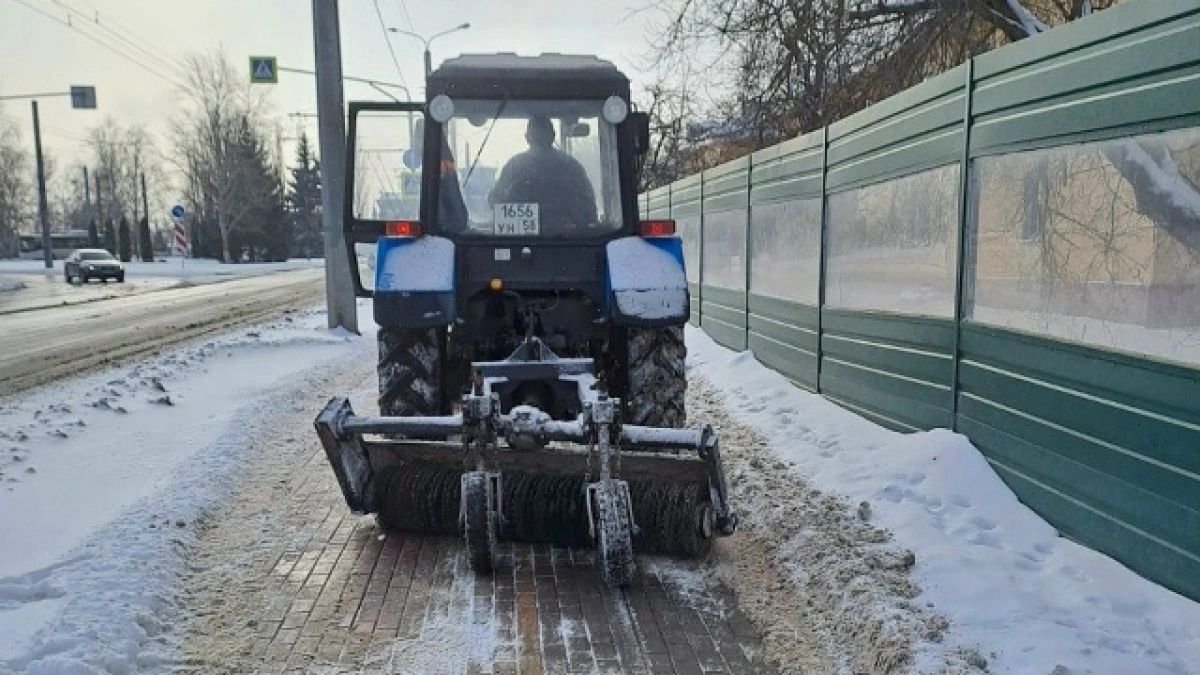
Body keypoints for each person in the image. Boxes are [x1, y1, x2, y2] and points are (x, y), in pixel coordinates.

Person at [488, 116, 598, 230]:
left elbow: (494, 201)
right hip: (569, 242)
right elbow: (589, 210)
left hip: (519, 240)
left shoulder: (514, 166)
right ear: (553, 136)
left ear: (527, 138)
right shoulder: (571, 167)